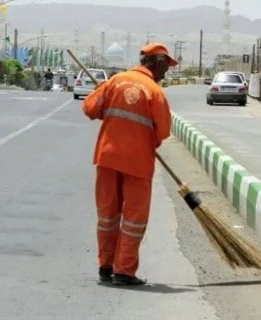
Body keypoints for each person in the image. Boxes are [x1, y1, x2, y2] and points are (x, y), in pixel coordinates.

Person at [83, 43, 178, 285]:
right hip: (137, 163)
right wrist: (146, 139)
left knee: (108, 215)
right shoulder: (155, 92)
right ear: (156, 62)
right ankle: (124, 270)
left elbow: (90, 108)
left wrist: (106, 104)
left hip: (107, 158)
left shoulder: (116, 81)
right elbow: (164, 131)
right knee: (134, 219)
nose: (166, 72)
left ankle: (106, 265)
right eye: (166, 66)